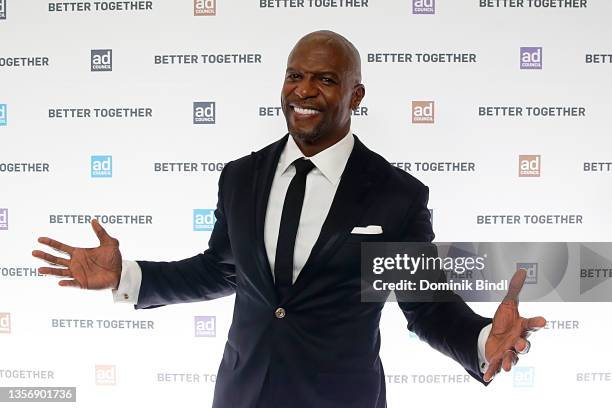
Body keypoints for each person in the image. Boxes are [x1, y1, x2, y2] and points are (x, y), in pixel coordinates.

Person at [32, 30, 546, 408]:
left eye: (325, 80)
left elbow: (425, 308)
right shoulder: (239, 176)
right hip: (241, 394)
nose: (304, 91)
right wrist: (126, 275)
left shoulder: (396, 196)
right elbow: (221, 269)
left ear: (356, 95)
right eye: (295, 76)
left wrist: (482, 340)